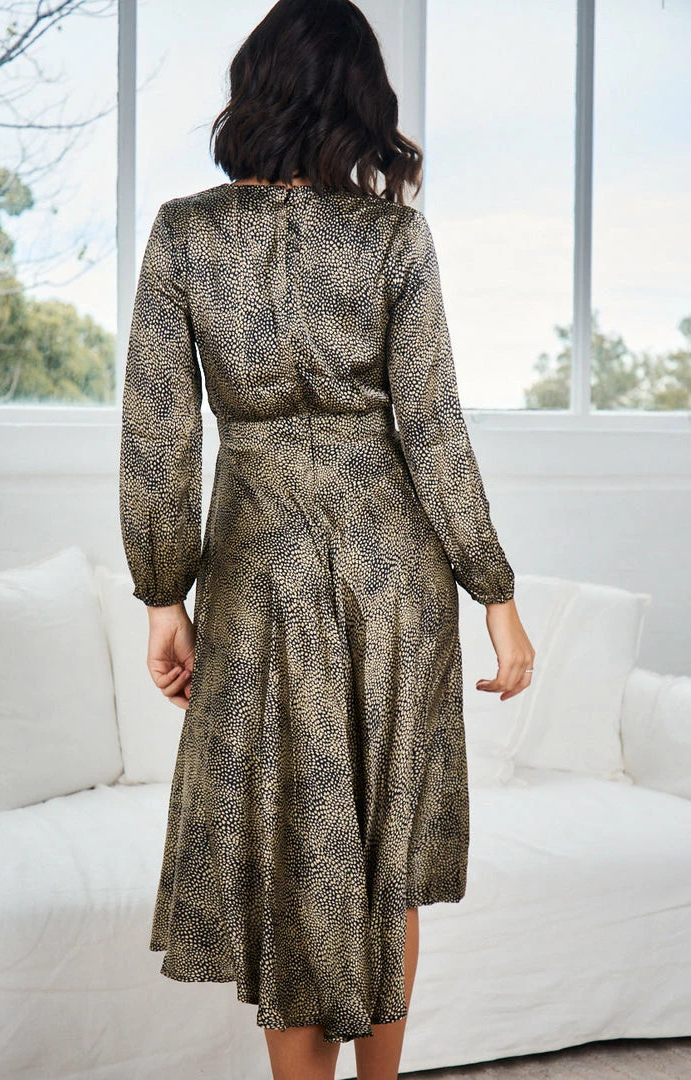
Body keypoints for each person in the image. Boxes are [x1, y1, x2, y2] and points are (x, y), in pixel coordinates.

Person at [118, 0, 535, 1077]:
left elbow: (159, 432)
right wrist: (495, 598)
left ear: (253, 86)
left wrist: (162, 598)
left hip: (258, 573)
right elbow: (432, 428)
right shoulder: (392, 238)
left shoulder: (184, 234)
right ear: (360, 98)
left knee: (286, 852)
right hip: (395, 575)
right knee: (381, 858)